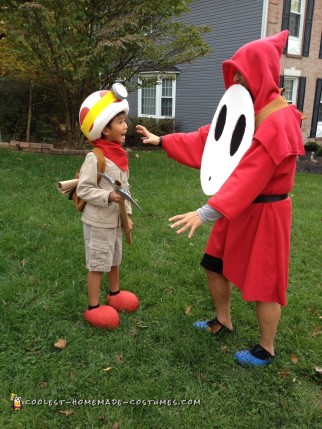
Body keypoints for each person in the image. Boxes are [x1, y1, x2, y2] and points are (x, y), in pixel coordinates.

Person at [136, 30, 304, 365]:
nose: (238, 78)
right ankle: (223, 320)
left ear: (262, 72)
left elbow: (252, 173)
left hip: (265, 213)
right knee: (214, 264)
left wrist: (207, 211)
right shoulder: (248, 109)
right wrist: (163, 141)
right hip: (238, 208)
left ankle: (266, 348)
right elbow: (211, 139)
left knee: (265, 283)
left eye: (244, 72)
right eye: (235, 72)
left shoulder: (280, 119)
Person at [77, 84, 139, 329]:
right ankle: (93, 307)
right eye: (120, 122)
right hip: (99, 221)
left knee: (114, 258)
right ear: (104, 129)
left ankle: (114, 294)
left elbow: (126, 189)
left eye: (125, 121)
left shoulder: (120, 155)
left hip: (115, 221)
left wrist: (128, 215)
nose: (126, 126)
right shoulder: (96, 157)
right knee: (98, 261)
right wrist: (108, 197)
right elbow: (84, 189)